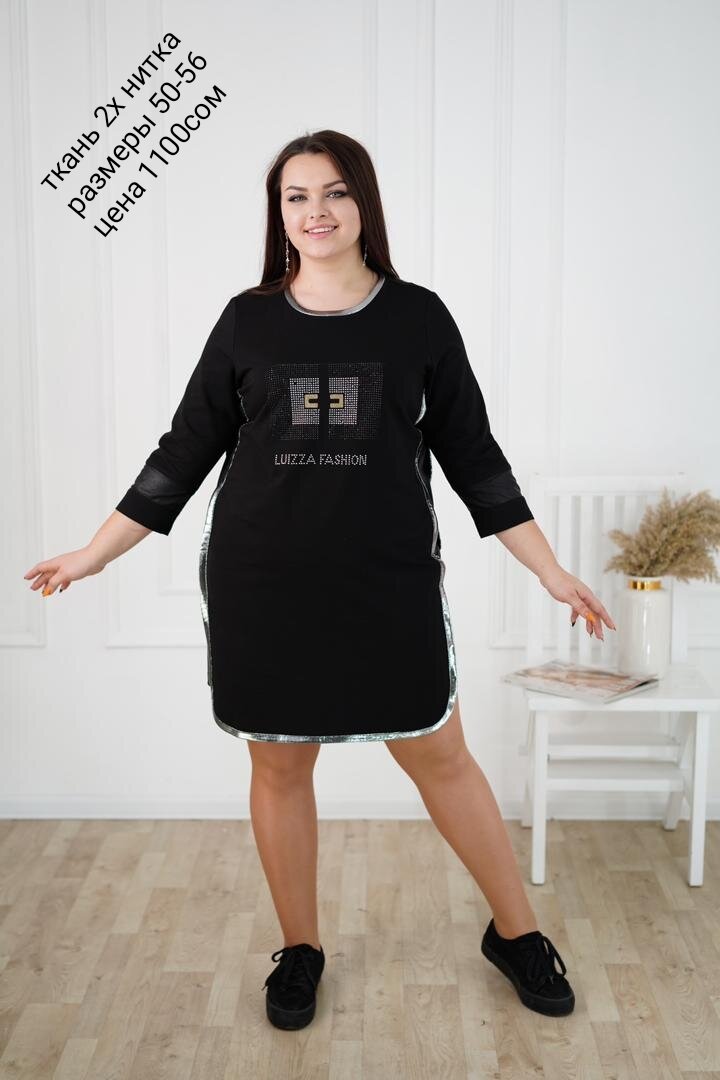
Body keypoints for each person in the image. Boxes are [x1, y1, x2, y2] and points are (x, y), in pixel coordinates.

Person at [24, 129, 616, 1029]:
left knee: (441, 756)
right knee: (279, 766)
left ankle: (517, 933)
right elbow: (182, 453)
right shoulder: (246, 321)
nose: (316, 212)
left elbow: (476, 459)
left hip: (387, 585)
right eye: (296, 196)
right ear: (279, 213)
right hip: (264, 585)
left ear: (364, 203)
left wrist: (551, 570)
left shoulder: (419, 318)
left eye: (335, 192)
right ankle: (299, 950)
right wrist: (93, 553)